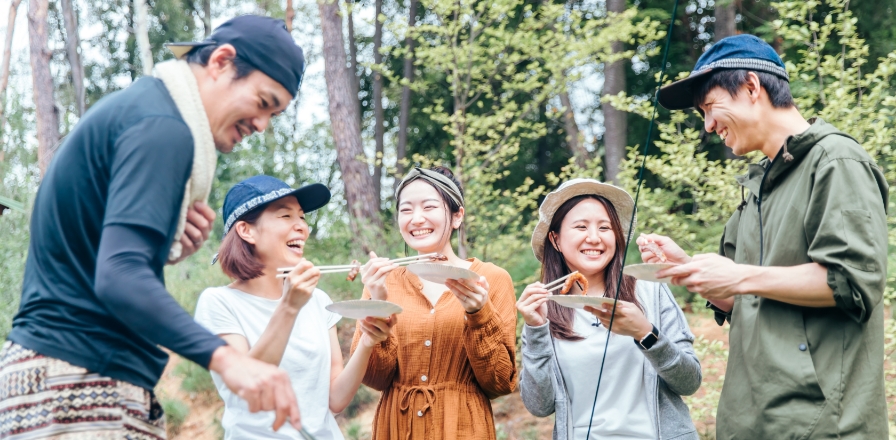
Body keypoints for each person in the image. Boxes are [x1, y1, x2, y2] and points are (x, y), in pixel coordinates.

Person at [0, 16, 308, 438]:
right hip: (79, 381)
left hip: (53, 377)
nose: (262, 124)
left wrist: (167, 244)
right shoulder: (165, 128)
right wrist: (228, 359)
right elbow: (119, 276)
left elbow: (93, 254)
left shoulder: (142, 110)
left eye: (274, 113)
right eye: (263, 101)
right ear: (221, 61)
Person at [644, 34, 889, 438]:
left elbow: (852, 281)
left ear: (752, 87)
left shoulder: (836, 161)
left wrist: (739, 275)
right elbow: (745, 300)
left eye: (709, 108)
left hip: (822, 425)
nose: (707, 126)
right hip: (751, 421)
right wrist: (687, 268)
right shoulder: (758, 188)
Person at [193, 175, 396, 439]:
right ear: (246, 230)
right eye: (285, 216)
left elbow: (334, 399)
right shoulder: (219, 303)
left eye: (302, 217)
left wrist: (368, 341)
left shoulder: (318, 300)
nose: (302, 226)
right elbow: (246, 387)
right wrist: (289, 307)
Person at [517, 178, 701, 439]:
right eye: (581, 226)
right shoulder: (544, 308)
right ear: (555, 239)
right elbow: (539, 406)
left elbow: (690, 381)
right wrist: (535, 330)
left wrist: (645, 333)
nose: (594, 238)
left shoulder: (649, 291)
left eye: (605, 227)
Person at [349, 166, 517, 440]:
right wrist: (378, 301)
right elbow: (374, 378)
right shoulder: (381, 280)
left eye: (429, 207)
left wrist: (479, 313)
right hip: (397, 428)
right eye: (406, 210)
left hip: (463, 429)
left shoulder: (491, 279)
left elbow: (499, 382)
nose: (417, 219)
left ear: (457, 215)